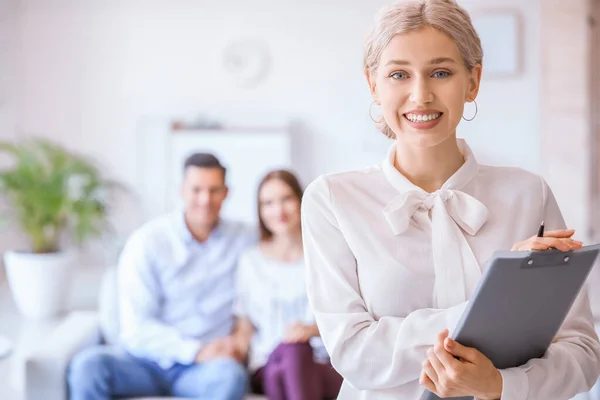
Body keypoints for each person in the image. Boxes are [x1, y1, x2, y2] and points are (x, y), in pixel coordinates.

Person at [300, 0, 600, 399]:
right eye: (399, 75)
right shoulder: (332, 200)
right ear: (373, 83)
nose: (420, 95)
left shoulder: (528, 194)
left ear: (473, 80)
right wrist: (498, 301)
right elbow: (355, 353)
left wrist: (502, 386)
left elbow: (582, 352)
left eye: (441, 72)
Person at [68, 153, 255, 400]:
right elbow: (136, 327)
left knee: (230, 378)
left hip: (206, 369)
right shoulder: (148, 242)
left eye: (214, 190)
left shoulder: (245, 239)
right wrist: (196, 351)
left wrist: (239, 340)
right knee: (88, 367)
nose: (205, 199)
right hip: (144, 363)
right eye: (196, 189)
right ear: (182, 190)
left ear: (226, 192)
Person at [233, 170, 342, 400]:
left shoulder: (325, 255)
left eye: (286, 199)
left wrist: (310, 330)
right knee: (293, 352)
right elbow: (245, 322)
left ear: (301, 201)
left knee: (292, 364)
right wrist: (233, 348)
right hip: (269, 362)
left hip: (321, 361)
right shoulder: (250, 261)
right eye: (268, 203)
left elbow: (345, 314)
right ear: (260, 211)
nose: (278, 211)